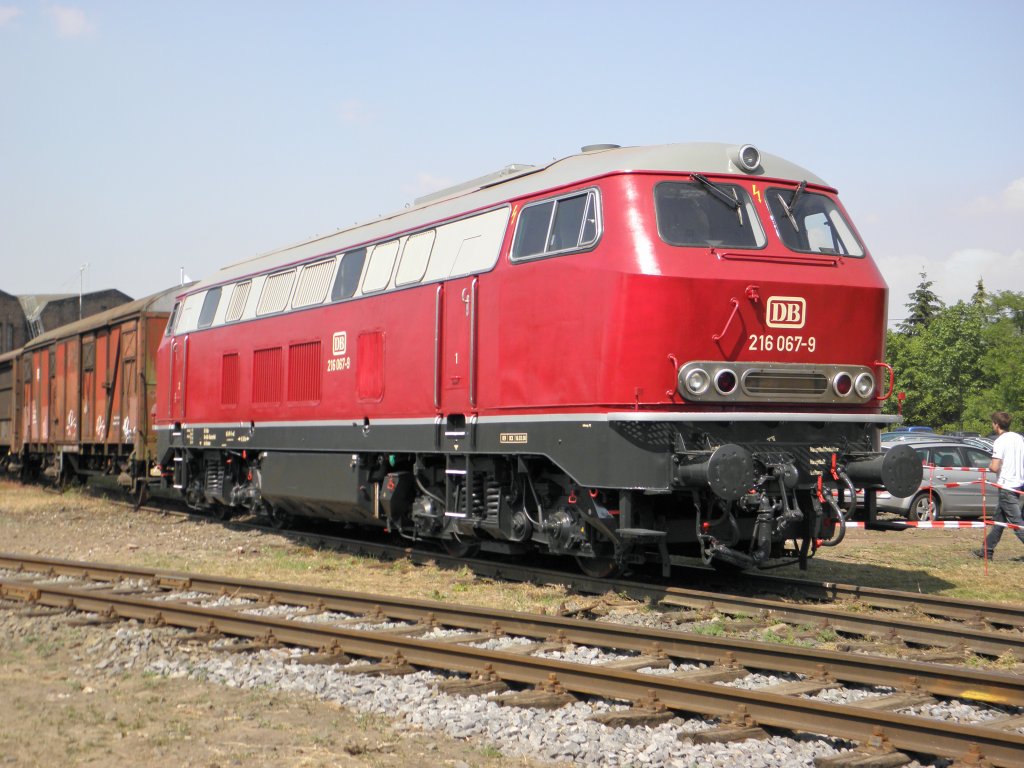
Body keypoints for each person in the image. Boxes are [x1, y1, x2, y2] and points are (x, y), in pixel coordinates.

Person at [975, 411, 1024, 559]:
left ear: (996, 425)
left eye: (992, 423)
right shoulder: (1019, 438)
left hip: (1006, 486)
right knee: (999, 521)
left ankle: (986, 551)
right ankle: (986, 550)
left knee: (1016, 523)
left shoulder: (1000, 441)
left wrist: (990, 466)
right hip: (1019, 484)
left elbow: (995, 467)